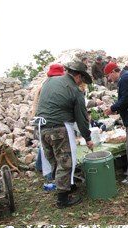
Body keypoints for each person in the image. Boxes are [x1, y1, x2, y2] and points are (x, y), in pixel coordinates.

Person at [34, 60, 95, 208]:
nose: (81, 84)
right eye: (82, 80)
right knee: (65, 162)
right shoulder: (75, 90)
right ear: (79, 76)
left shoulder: (49, 82)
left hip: (41, 128)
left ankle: (66, 186)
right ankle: (62, 199)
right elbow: (81, 118)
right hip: (57, 129)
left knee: (54, 160)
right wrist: (87, 138)